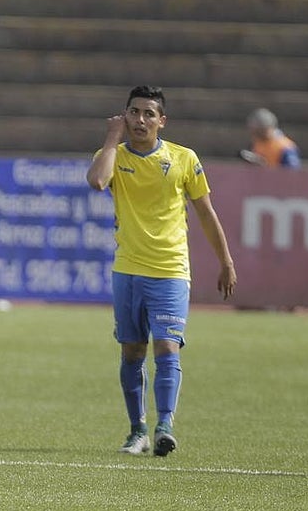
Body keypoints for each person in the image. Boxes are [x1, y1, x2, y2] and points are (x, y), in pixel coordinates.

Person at [86, 85, 237, 457]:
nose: (140, 120)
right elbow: (96, 181)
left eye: (148, 114)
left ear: (162, 121)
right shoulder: (114, 155)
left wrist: (226, 260)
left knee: (167, 346)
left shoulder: (184, 159)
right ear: (125, 117)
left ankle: (165, 426)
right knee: (132, 352)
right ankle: (137, 431)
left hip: (170, 269)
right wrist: (110, 138)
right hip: (128, 270)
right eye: (134, 112)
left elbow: (205, 212)